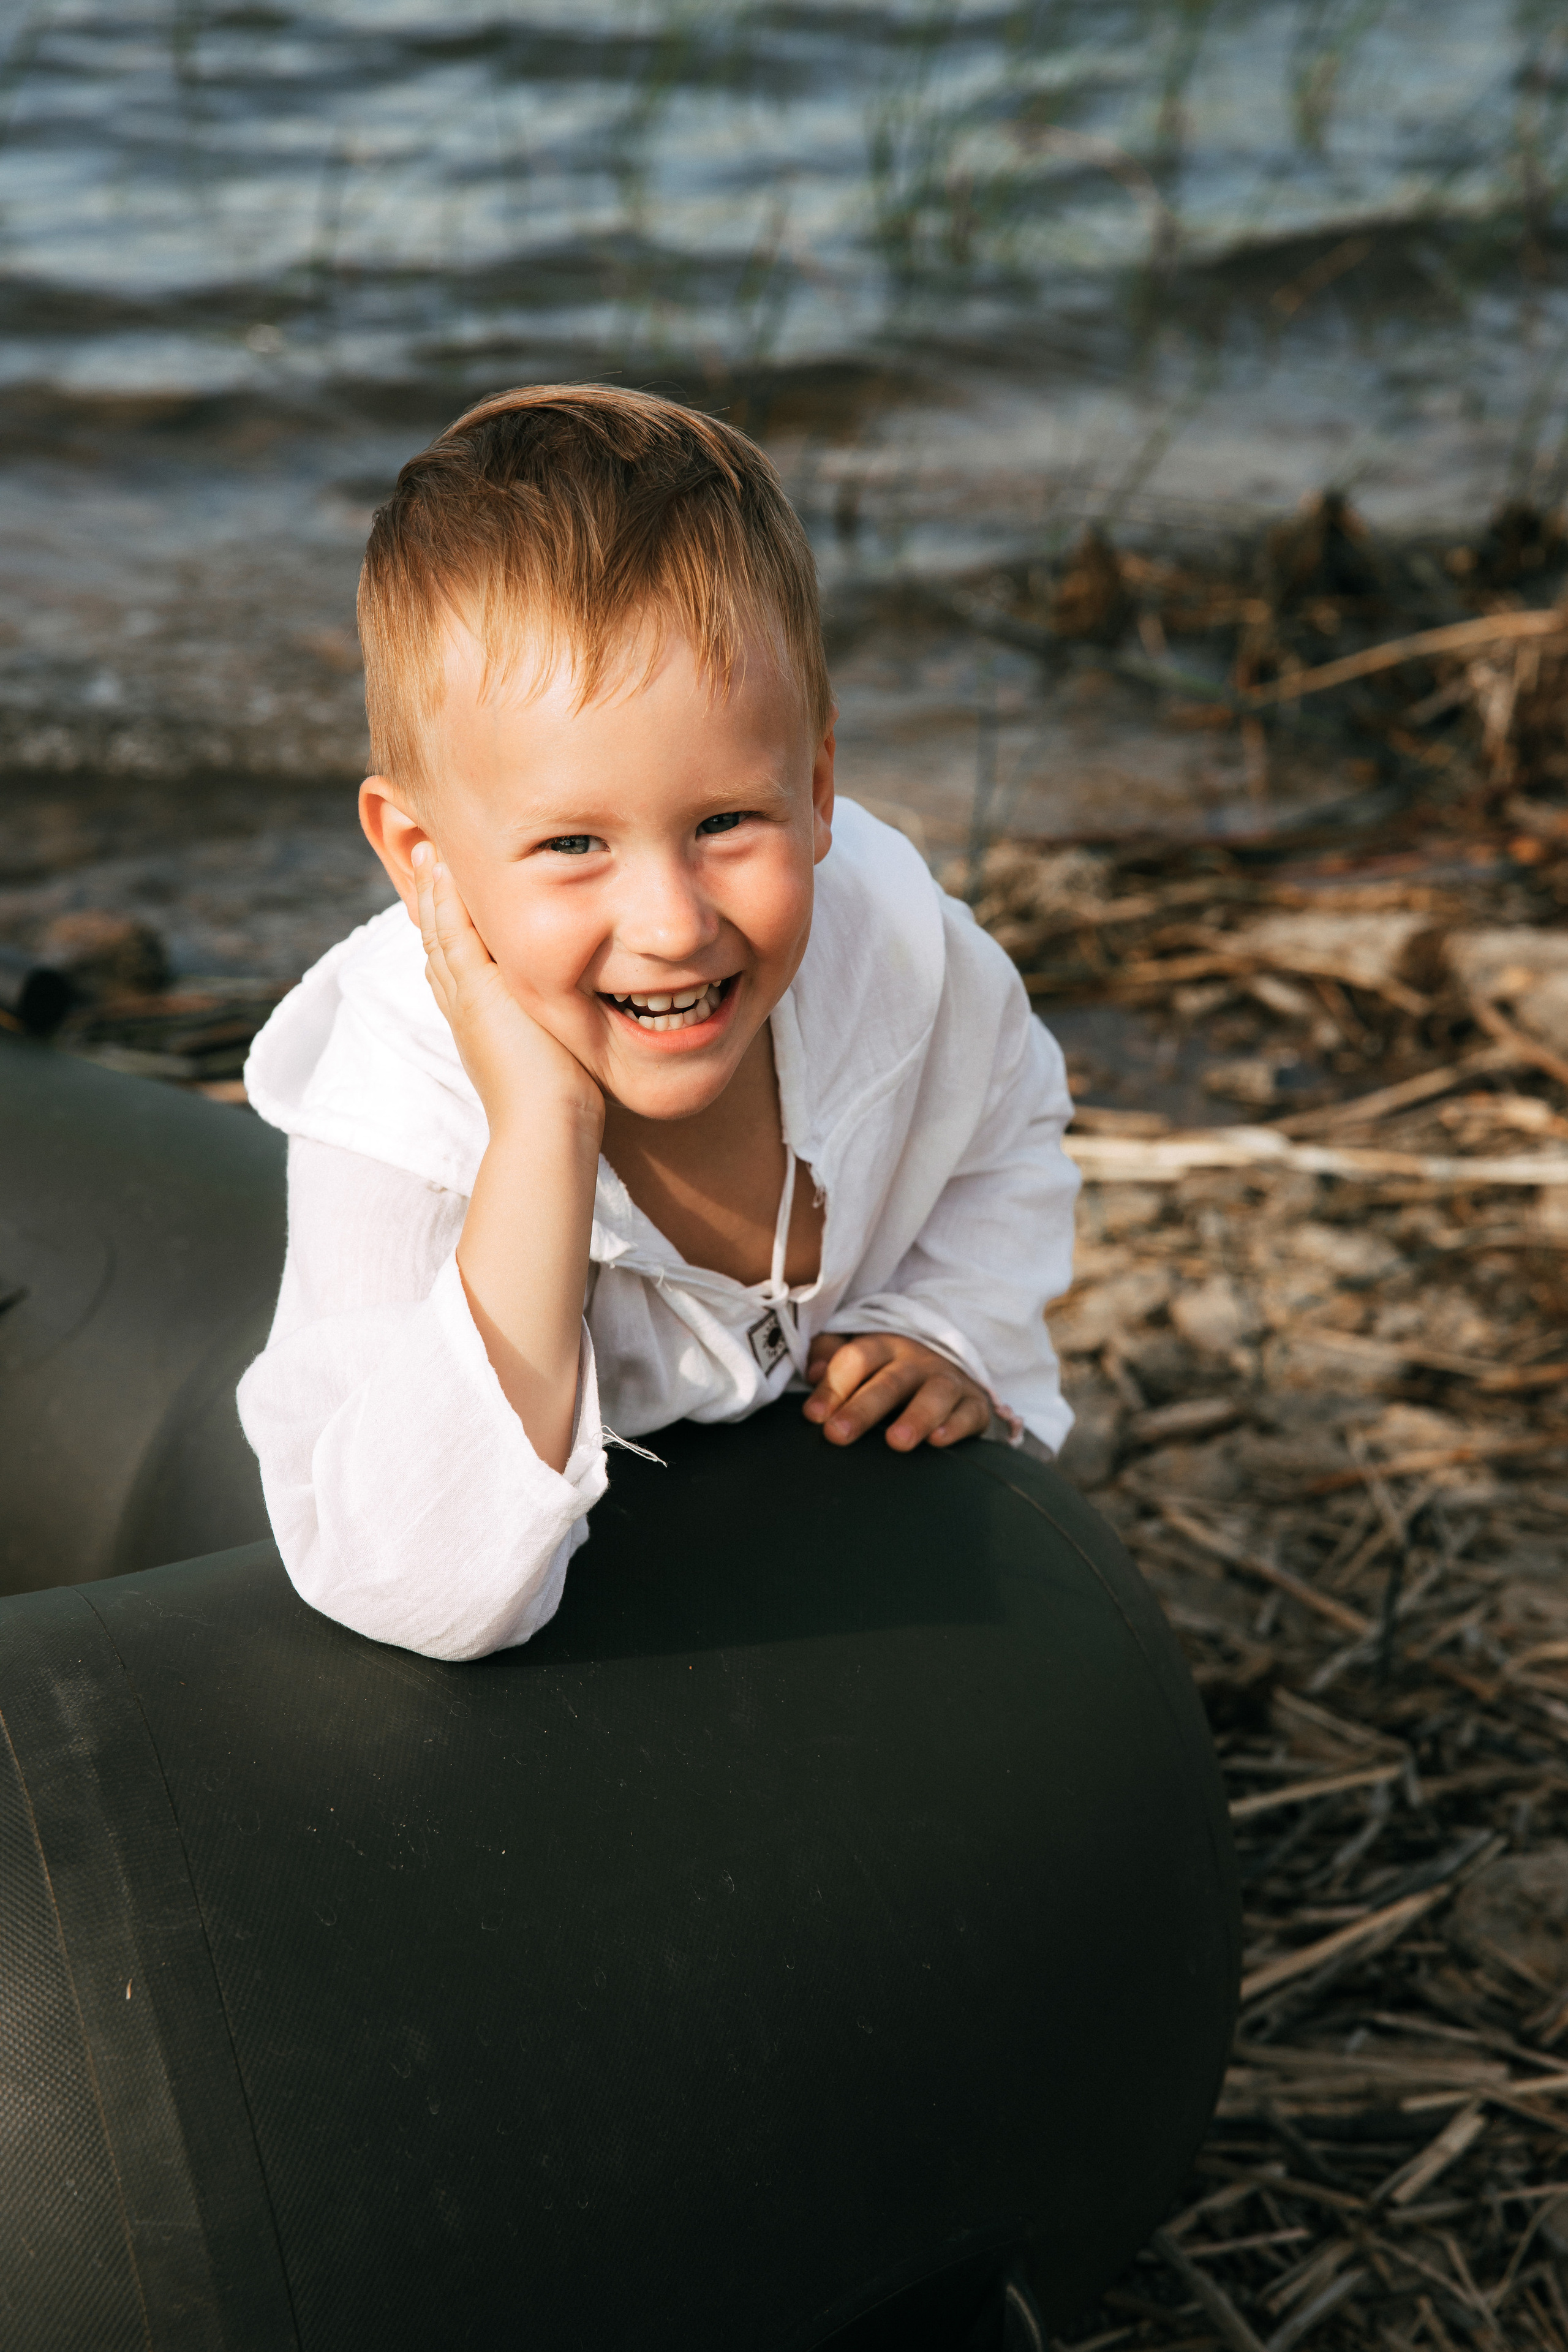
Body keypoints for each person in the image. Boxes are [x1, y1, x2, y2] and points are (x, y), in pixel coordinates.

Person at [238, 384, 1079, 1660]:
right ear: (422, 855)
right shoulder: (397, 1101)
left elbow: (1003, 1126)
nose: (673, 923)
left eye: (725, 823)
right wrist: (540, 1133)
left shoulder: (898, 955)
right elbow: (404, 1582)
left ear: (815, 785)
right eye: (572, 843)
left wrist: (946, 1322)